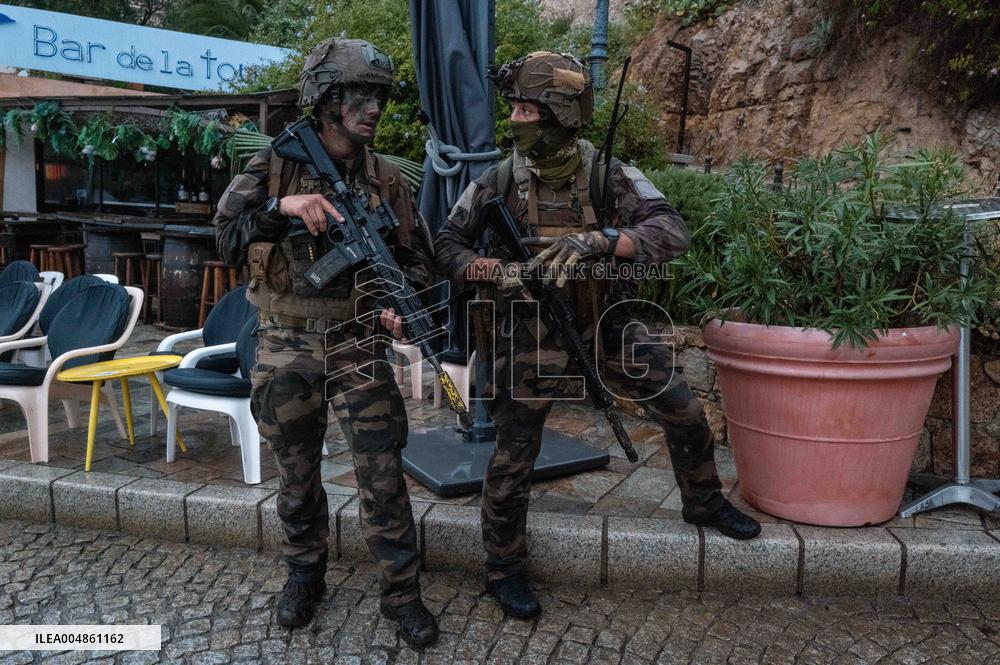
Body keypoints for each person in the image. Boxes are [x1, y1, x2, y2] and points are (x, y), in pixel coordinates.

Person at [434, 51, 762, 620]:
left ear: (560, 116)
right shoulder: (500, 178)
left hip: (603, 320)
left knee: (684, 411)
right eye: (512, 107)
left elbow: (671, 230)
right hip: (529, 327)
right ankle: (503, 567)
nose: (514, 119)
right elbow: (447, 245)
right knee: (515, 453)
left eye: (527, 109)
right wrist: (496, 271)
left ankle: (704, 503)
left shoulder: (605, 172)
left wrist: (604, 239)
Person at [213, 37, 439, 647]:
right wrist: (281, 208)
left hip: (356, 342)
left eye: (380, 98)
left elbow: (415, 261)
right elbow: (226, 238)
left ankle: (402, 593)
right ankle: (304, 574)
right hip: (284, 339)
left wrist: (398, 304)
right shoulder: (272, 168)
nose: (373, 110)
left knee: (383, 472)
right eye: (359, 96)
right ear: (326, 99)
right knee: (296, 471)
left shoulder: (386, 178)